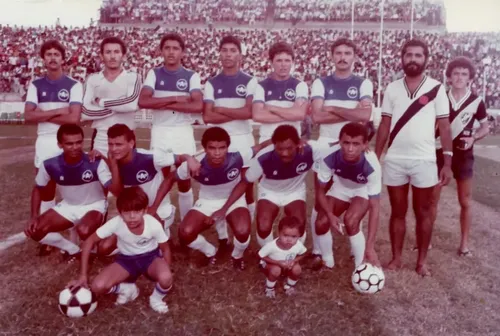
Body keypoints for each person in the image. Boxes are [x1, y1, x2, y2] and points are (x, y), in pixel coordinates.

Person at [374, 39, 453, 276]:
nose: (413, 59)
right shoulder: (391, 88)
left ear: (426, 59)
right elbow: (385, 124)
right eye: (409, 55)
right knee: (398, 212)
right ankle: (397, 258)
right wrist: (375, 158)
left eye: (418, 55)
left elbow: (445, 126)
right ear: (402, 58)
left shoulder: (437, 88)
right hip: (396, 159)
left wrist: (447, 162)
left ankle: (421, 262)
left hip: (425, 160)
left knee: (423, 212)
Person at [92, 124, 200, 257]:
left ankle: (159, 236)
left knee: (156, 253)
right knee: (104, 249)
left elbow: (180, 157)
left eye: (119, 144)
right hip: (131, 213)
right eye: (111, 144)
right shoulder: (105, 166)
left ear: (131, 143)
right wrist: (114, 167)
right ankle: (138, 242)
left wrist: (190, 159)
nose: (114, 149)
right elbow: (119, 193)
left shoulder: (150, 157)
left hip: (158, 210)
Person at [310, 38, 373, 264]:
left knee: (358, 191)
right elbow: (317, 116)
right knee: (321, 200)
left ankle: (356, 248)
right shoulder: (320, 82)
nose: (343, 57)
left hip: (353, 144)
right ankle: (318, 251)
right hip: (326, 144)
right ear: (332, 56)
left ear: (354, 57)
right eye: (338, 53)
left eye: (347, 53)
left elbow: (365, 116)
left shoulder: (363, 83)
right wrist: (351, 110)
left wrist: (334, 108)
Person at [176, 127, 271, 269]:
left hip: (234, 200)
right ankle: (210, 251)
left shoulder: (238, 157)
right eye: (212, 148)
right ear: (204, 148)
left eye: (222, 148)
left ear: (228, 147)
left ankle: (237, 256)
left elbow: (262, 145)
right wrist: (153, 207)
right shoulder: (195, 163)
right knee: (185, 232)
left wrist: (298, 140)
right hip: (207, 201)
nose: (217, 153)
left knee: (243, 231)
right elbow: (170, 180)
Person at [67, 187, 173, 314]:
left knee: (166, 278)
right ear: (120, 212)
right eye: (127, 212)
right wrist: (83, 276)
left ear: (145, 210)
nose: (132, 217)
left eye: (137, 211)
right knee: (97, 287)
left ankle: (156, 299)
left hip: (150, 258)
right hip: (126, 260)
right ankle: (127, 289)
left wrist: (166, 273)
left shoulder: (153, 224)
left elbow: (165, 250)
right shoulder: (116, 223)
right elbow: (89, 241)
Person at [222, 125, 321, 249]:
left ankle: (292, 253)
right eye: (280, 149)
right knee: (263, 226)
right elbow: (244, 182)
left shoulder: (310, 149)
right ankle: (269, 253)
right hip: (269, 192)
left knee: (299, 224)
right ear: (274, 145)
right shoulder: (264, 157)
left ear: (298, 143)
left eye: (289, 148)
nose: (285, 153)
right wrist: (225, 207)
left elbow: (335, 147)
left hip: (294, 191)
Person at [138, 33, 202, 225]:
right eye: (167, 48)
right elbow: (143, 101)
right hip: (160, 131)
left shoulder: (192, 76)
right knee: (160, 178)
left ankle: (186, 224)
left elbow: (198, 106)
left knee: (184, 179)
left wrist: (160, 103)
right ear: (161, 50)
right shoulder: (154, 73)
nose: (171, 52)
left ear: (182, 52)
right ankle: (161, 223)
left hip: (182, 131)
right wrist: (175, 99)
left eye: (175, 48)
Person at [24, 40, 83, 248]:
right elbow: (28, 116)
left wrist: (43, 114)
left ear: (63, 58)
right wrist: (59, 112)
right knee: (46, 190)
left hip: (68, 141)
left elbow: (74, 119)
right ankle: (48, 238)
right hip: (46, 141)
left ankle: (75, 235)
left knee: (75, 189)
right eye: (48, 54)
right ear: (43, 59)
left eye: (56, 54)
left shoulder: (74, 85)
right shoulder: (35, 85)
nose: (52, 58)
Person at [431, 56, 490, 257]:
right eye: (456, 73)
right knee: (432, 201)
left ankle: (464, 245)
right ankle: (426, 240)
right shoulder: (439, 97)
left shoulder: (476, 101)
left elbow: (485, 126)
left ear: (470, 78)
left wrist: (474, 138)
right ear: (448, 77)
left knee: (465, 201)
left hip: (463, 155)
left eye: (464, 74)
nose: (459, 77)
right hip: (439, 153)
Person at [24, 124, 109, 261]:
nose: (75, 147)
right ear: (59, 144)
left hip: (94, 205)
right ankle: (72, 249)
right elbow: (38, 188)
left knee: (84, 230)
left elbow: (112, 186)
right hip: (69, 205)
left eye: (78, 142)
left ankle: (93, 241)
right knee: (34, 230)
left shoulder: (94, 161)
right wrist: (34, 216)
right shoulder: (50, 164)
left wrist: (106, 159)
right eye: (69, 144)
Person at [203, 35, 259, 241]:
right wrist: (236, 110)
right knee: (220, 184)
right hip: (220, 141)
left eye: (232, 50)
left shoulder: (250, 81)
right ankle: (222, 235)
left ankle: (243, 235)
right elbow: (208, 116)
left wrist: (222, 109)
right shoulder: (211, 82)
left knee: (248, 184)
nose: (228, 54)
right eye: (224, 50)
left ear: (240, 55)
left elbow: (249, 113)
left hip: (243, 138)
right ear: (219, 54)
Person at [314, 122, 381, 270]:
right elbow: (320, 191)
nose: (350, 149)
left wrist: (370, 247)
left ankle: (360, 266)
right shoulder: (329, 154)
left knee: (350, 221)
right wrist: (331, 215)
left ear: (365, 145)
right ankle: (327, 261)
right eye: (346, 143)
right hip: (341, 187)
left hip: (361, 190)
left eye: (356, 144)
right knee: (321, 222)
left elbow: (375, 207)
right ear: (340, 141)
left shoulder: (372, 163)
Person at [82, 36, 141, 156]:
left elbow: (131, 104)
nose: (113, 56)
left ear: (123, 56)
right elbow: (85, 112)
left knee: (126, 174)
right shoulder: (92, 79)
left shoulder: (133, 77)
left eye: (116, 52)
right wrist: (120, 105)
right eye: (108, 52)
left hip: (127, 138)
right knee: (99, 173)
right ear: (102, 56)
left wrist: (101, 102)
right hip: (100, 138)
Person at [252, 42, 308, 143]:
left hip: (292, 141)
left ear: (292, 62)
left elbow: (299, 115)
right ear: (271, 62)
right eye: (279, 60)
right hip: (267, 140)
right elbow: (257, 116)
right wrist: (289, 113)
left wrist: (270, 108)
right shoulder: (261, 86)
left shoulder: (300, 85)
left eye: (287, 60)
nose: (283, 65)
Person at [258, 216, 307, 298]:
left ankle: (289, 286)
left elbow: (303, 254)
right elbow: (260, 255)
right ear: (279, 233)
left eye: (294, 237)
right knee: (276, 270)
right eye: (285, 235)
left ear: (299, 236)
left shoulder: (298, 245)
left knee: (297, 269)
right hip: (270, 265)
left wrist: (294, 261)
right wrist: (277, 263)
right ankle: (269, 288)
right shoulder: (271, 246)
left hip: (286, 266)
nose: (289, 239)